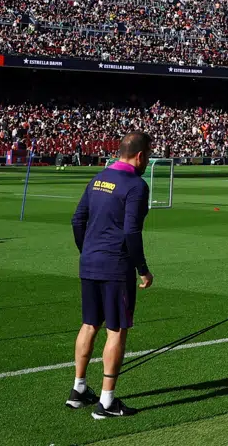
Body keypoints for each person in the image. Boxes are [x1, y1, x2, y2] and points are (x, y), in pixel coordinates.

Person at [67, 131, 154, 419]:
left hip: (90, 262)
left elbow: (77, 219)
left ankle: (79, 389)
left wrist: (88, 250)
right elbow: (131, 232)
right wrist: (142, 268)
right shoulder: (136, 185)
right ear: (140, 156)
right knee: (116, 329)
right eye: (148, 155)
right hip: (116, 265)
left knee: (89, 324)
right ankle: (106, 402)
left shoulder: (98, 178)